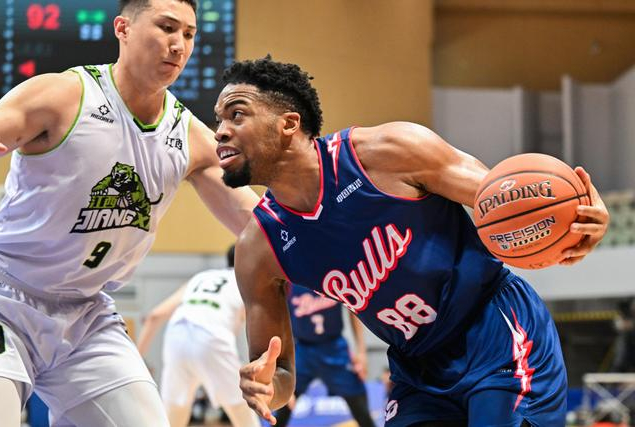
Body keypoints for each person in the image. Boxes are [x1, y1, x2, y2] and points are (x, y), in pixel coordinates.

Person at [212, 57, 611, 426]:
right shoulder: (258, 249)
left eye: (236, 114)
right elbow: (281, 376)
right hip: (417, 368)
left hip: (493, 330)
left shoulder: (387, 153)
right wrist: (266, 386)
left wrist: (581, 217)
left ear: (288, 124)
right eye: (218, 120)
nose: (220, 131)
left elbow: (505, 198)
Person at [0, 1, 259, 425]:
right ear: (123, 28)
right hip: (5, 296)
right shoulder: (62, 95)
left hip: (86, 316)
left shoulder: (191, 136)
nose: (179, 45)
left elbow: (260, 227)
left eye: (189, 34)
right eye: (167, 27)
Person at [136, 246, 261, 427]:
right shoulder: (247, 284)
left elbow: (154, 316)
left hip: (176, 335)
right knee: (243, 413)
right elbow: (256, 329)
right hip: (212, 337)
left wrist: (137, 364)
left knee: (173, 418)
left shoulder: (201, 277)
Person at [274, 284, 376, 427]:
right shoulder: (286, 278)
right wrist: (280, 363)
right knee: (283, 404)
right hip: (302, 349)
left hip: (334, 348)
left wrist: (361, 351)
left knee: (360, 407)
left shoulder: (334, 274)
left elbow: (354, 309)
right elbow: (278, 321)